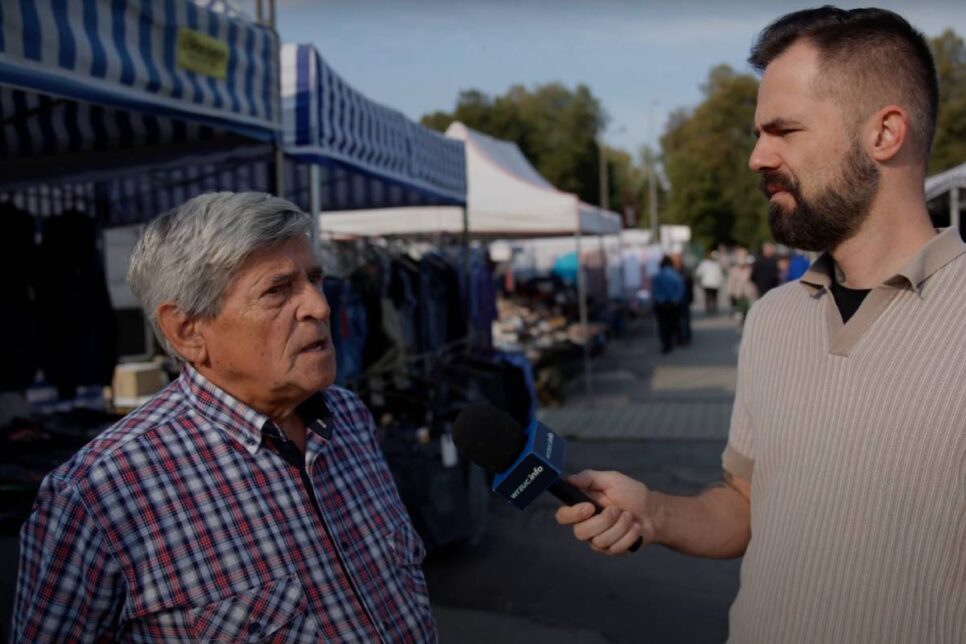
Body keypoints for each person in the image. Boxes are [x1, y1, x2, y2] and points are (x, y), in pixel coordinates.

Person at [556, 7, 966, 642]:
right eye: (758, 133)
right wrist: (654, 513)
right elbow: (749, 505)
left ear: (885, 133)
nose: (757, 157)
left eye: (784, 130)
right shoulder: (773, 318)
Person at [13, 193, 436, 641]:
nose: (320, 306)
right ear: (188, 331)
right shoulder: (99, 495)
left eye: (315, 278)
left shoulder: (350, 417)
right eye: (277, 290)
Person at [650, 256, 684, 354]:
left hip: (661, 304)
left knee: (663, 325)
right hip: (673, 304)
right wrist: (675, 299)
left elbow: (655, 291)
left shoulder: (657, 275)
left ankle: (666, 344)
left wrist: (661, 299)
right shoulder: (675, 275)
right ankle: (673, 341)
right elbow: (680, 289)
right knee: (672, 324)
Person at [669, 251, 693, 345]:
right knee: (677, 319)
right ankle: (679, 337)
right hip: (675, 299)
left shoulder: (684, 271)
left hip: (683, 299)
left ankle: (685, 337)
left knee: (684, 319)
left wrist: (690, 298)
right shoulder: (671, 271)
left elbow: (690, 285)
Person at [694, 250, 724, 315]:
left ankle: (709, 309)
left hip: (707, 283)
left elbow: (698, 273)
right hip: (715, 284)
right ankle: (714, 309)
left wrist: (698, 281)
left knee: (708, 297)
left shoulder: (704, 263)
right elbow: (720, 275)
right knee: (714, 297)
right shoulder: (716, 264)